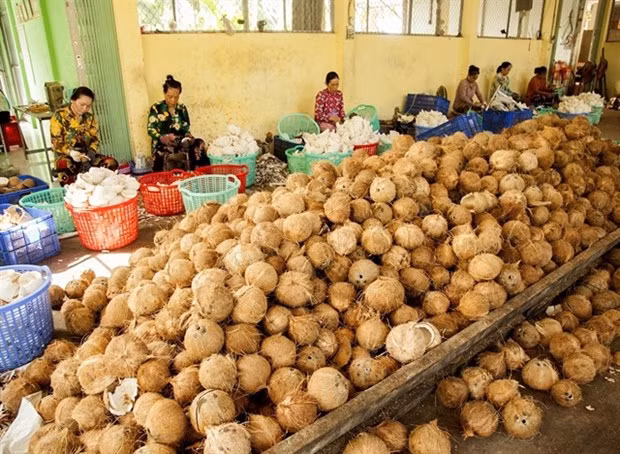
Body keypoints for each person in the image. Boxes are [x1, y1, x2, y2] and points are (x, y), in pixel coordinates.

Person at [51, 87, 118, 186]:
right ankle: (74, 195)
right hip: (67, 155)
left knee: (111, 163)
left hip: (87, 155)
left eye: (88, 106)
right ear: (72, 100)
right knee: (66, 165)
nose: (85, 109)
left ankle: (98, 192)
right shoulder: (59, 116)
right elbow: (56, 142)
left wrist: (91, 153)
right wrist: (72, 152)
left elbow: (95, 139)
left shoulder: (89, 118)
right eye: (82, 105)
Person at [148, 75, 207, 172]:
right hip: (162, 144)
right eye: (170, 97)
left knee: (199, 144)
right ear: (164, 93)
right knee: (163, 154)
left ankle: (197, 173)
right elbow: (150, 129)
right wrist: (162, 137)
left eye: (176, 97)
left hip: (180, 142)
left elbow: (186, 127)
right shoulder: (156, 108)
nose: (173, 100)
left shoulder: (181, 108)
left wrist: (188, 135)